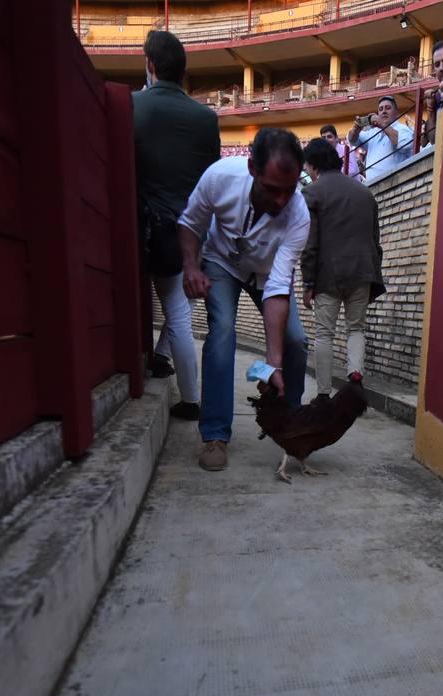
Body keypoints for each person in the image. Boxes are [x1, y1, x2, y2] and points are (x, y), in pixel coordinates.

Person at [178, 128, 311, 472]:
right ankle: (215, 434)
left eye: (290, 190)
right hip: (222, 262)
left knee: (295, 339)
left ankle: (289, 423)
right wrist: (191, 265)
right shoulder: (219, 177)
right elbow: (191, 223)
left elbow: (280, 286)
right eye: (272, 189)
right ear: (252, 167)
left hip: (267, 276)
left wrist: (273, 365)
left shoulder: (299, 216)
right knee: (222, 331)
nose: (282, 200)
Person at [133, 30, 219, 420]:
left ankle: (191, 398)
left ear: (150, 65)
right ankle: (167, 365)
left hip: (152, 227)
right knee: (179, 308)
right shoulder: (205, 118)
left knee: (177, 312)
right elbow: (210, 179)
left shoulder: (134, 106)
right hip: (193, 231)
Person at [299, 138, 384, 398]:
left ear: (313, 166)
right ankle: (355, 378)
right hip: (363, 271)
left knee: (325, 333)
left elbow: (310, 243)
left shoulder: (312, 192)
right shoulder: (364, 192)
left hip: (328, 275)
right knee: (356, 328)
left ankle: (324, 394)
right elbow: (375, 240)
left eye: (307, 168)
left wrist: (307, 283)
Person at [348, 95, 413, 181]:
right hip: (373, 186)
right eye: (381, 109)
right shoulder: (373, 132)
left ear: (396, 112)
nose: (384, 112)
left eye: (388, 108)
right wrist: (356, 128)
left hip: (395, 184)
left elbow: (405, 145)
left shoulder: (402, 129)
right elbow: (352, 140)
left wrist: (381, 123)